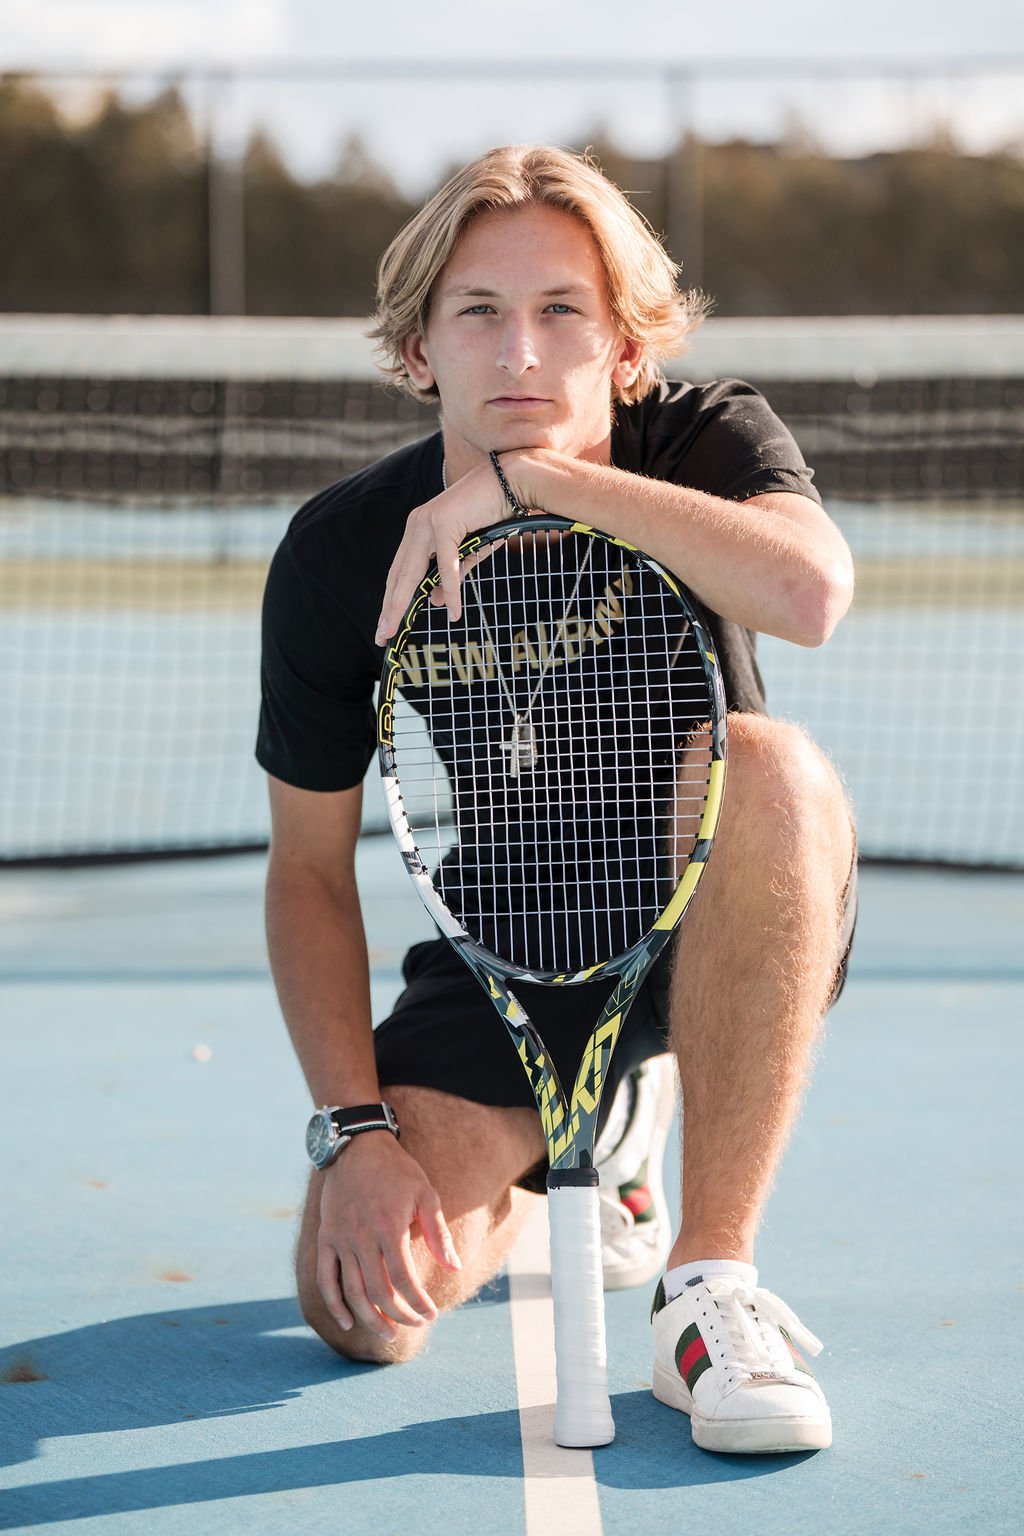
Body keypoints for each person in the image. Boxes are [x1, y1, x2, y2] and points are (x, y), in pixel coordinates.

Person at [257, 144, 856, 1456]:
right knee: (356, 1307)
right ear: (420, 351)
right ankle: (592, 1133)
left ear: (626, 347)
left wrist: (545, 481)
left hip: (717, 908)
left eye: (562, 312)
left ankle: (709, 1285)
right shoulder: (345, 554)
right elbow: (305, 867)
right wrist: (355, 1133)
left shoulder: (706, 439)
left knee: (774, 765)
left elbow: (810, 595)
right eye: (478, 312)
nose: (519, 351)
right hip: (507, 940)